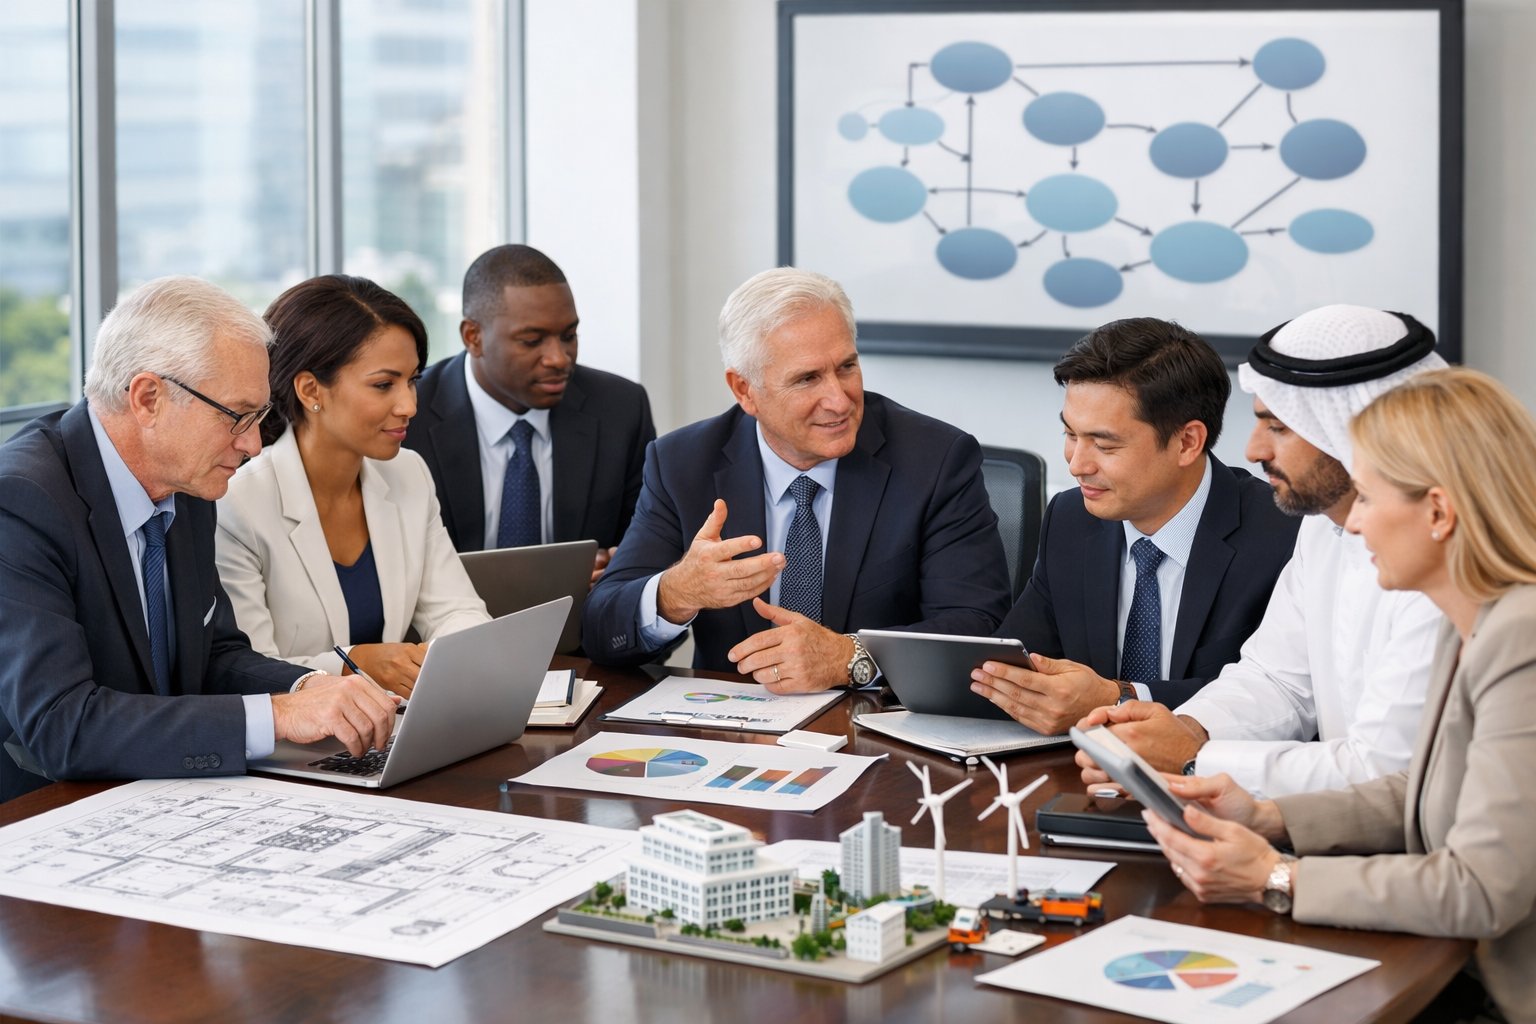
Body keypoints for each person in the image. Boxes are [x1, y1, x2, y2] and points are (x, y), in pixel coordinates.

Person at [1144, 367, 1536, 1023]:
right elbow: (1424, 787)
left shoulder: (1520, 639)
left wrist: (1275, 878)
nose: (1351, 527)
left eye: (1369, 500)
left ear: (1438, 512)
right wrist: (1269, 819)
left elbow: (1478, 888)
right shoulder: (1476, 621)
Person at [0, 277, 398, 802]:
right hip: (43, 814)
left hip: (162, 793)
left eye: (258, 418)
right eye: (237, 416)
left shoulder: (187, 482)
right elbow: (63, 726)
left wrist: (308, 688)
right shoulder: (22, 502)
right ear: (148, 398)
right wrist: (279, 715)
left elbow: (213, 654)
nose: (252, 444)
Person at [583, 267, 1011, 691]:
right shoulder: (682, 463)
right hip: (733, 735)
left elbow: (976, 625)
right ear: (744, 390)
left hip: (880, 729)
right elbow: (602, 629)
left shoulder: (935, 459)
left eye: (846, 367)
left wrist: (851, 658)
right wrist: (676, 593)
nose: (839, 400)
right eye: (808, 379)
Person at [1078, 305, 1446, 797]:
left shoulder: (1444, 557)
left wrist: (1194, 758)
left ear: (1353, 431)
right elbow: (1277, 680)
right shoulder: (1321, 528)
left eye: (1278, 427)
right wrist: (1187, 729)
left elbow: (1387, 772)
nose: (1253, 451)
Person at [969, 319, 1299, 735]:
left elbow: (1280, 695)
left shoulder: (1284, 533)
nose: (1076, 464)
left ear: (1187, 442)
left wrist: (1118, 698)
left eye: (1105, 445)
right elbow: (1014, 664)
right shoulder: (1070, 518)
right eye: (1071, 434)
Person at [215, 275, 490, 696]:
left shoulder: (408, 474)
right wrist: (354, 663)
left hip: (393, 728)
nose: (410, 405)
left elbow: (459, 611)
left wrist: (444, 660)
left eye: (413, 380)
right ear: (311, 390)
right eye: (384, 384)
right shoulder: (239, 500)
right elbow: (245, 668)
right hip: (294, 746)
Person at [405, 244, 657, 586]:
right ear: (473, 337)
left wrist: (619, 569)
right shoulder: (409, 415)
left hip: (578, 632)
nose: (558, 358)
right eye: (531, 340)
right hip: (443, 634)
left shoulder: (620, 408)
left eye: (569, 336)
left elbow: (647, 546)